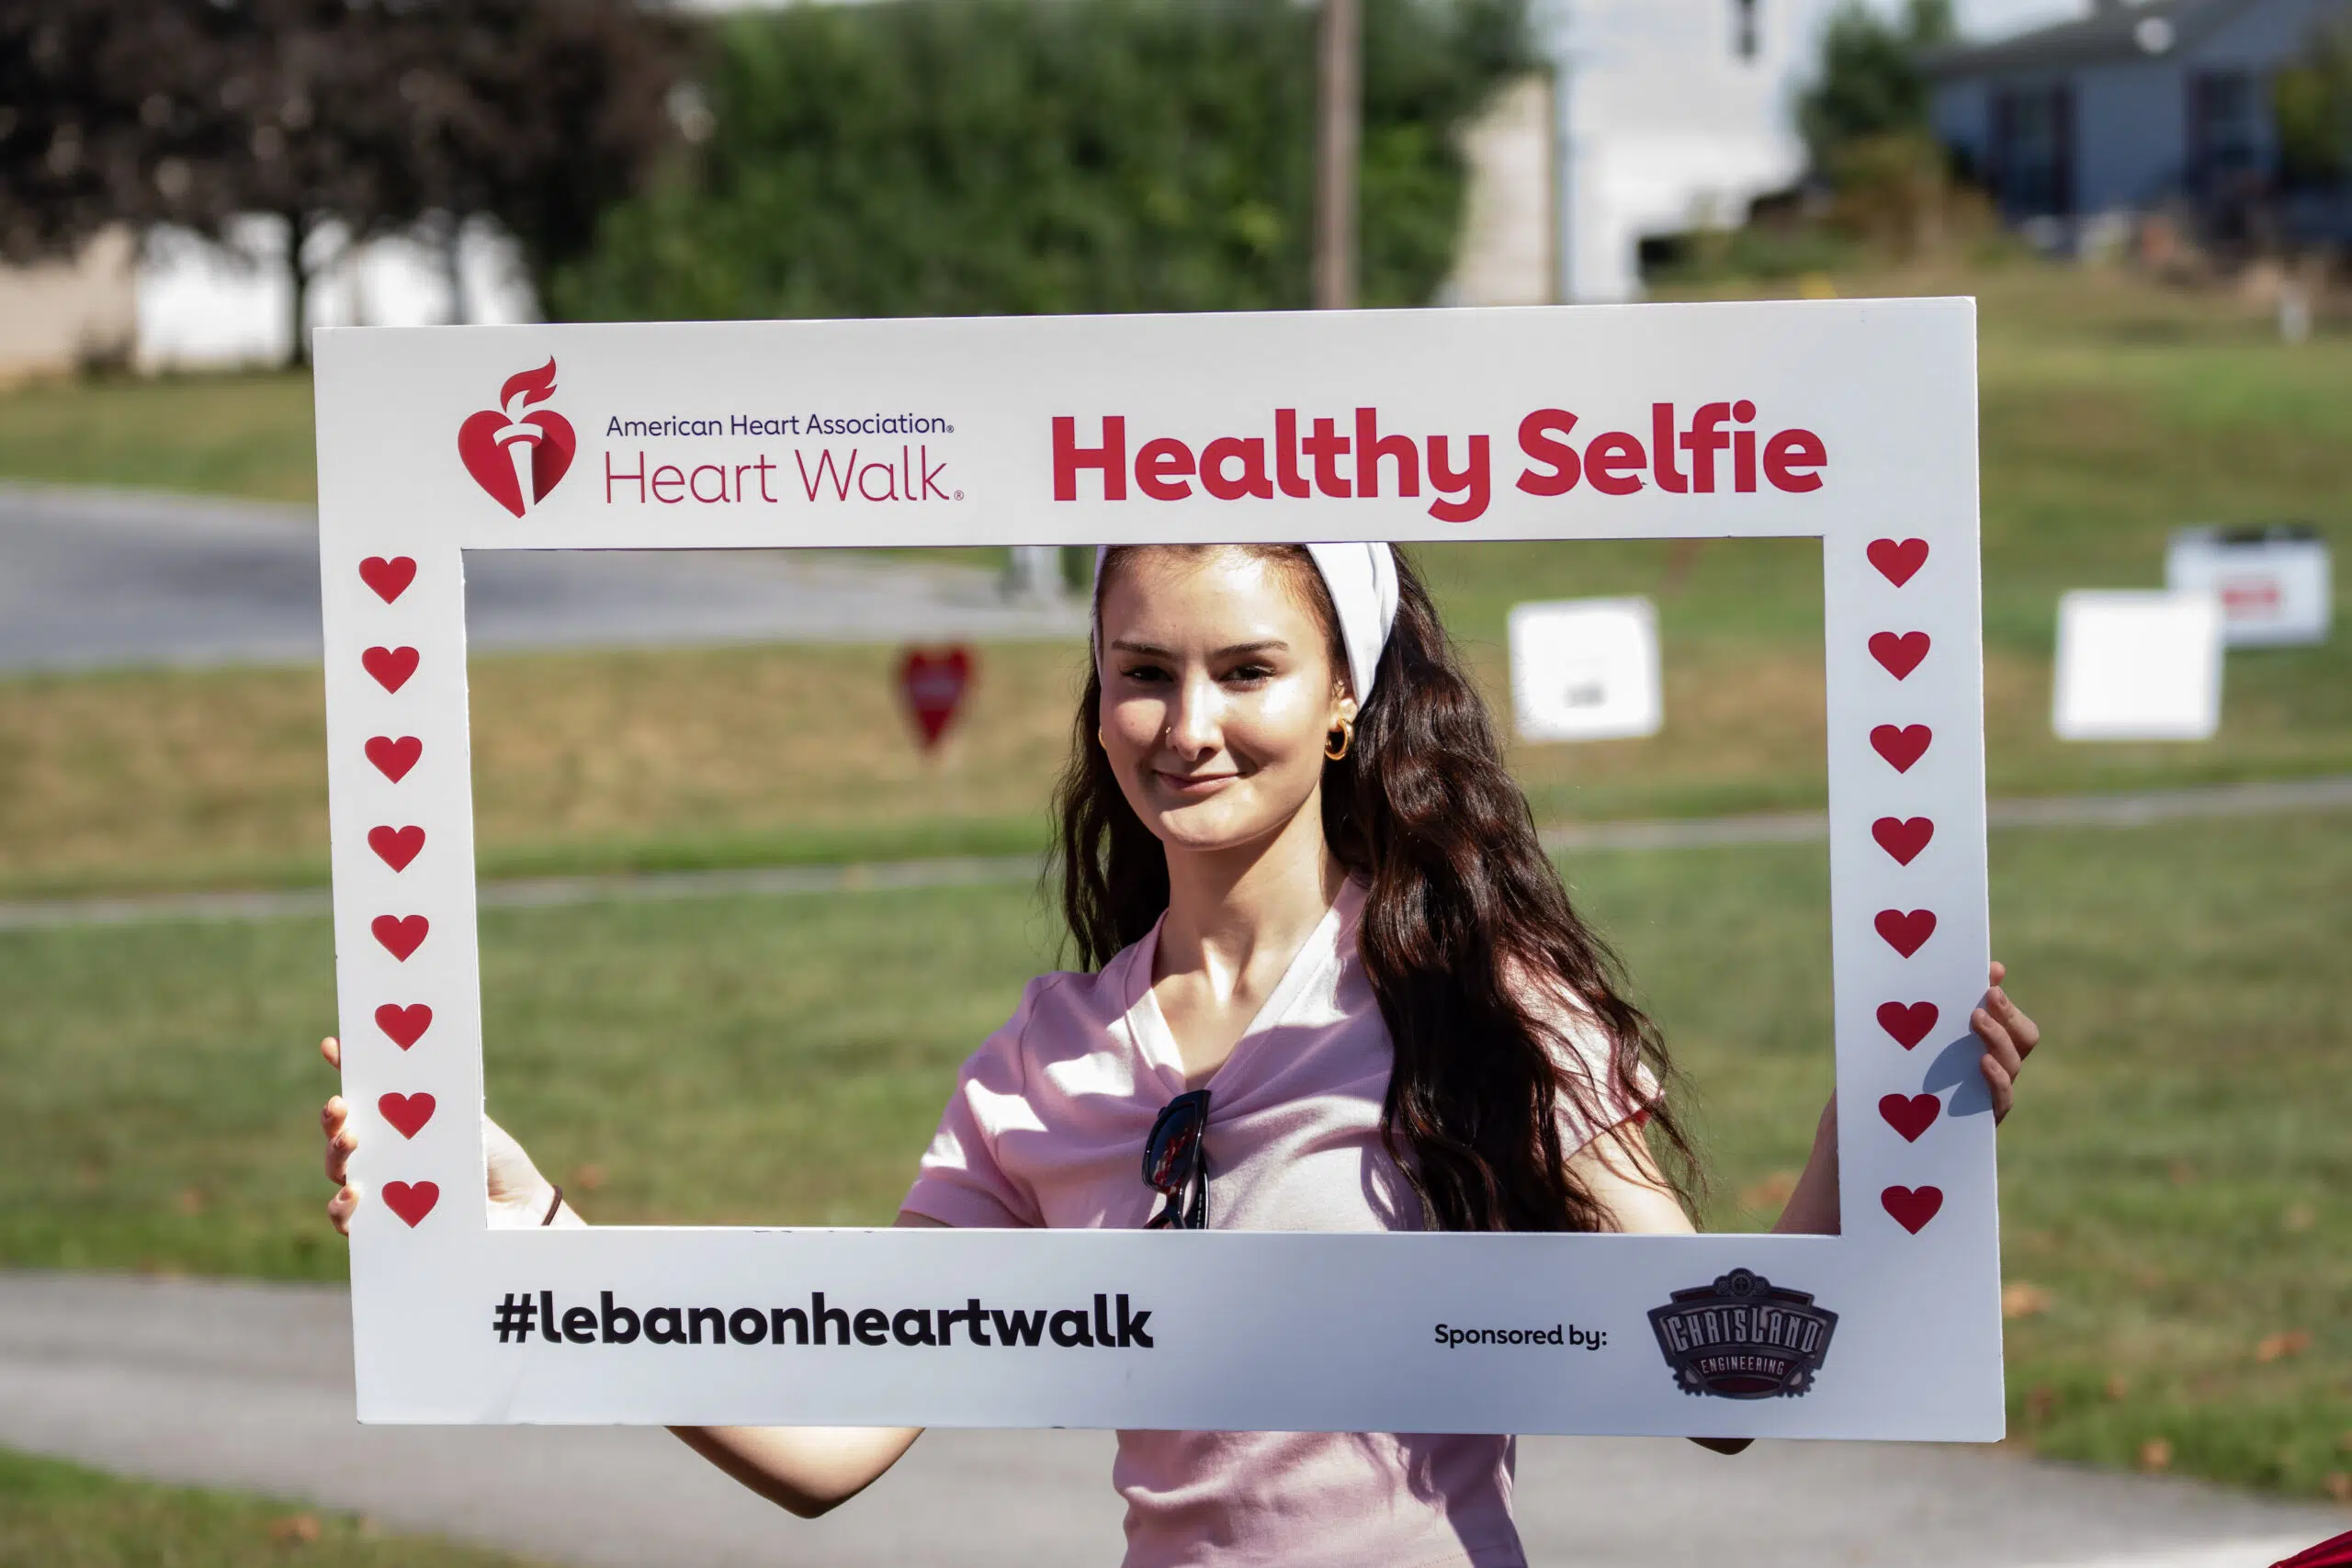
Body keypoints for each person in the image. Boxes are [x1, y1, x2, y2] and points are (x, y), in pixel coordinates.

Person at [319, 541, 2042, 1568]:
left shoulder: (1471, 994)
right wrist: (531, 1240)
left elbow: (1718, 1375)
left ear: (1348, 695)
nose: (1189, 722)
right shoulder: (1041, 1065)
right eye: (1141, 672)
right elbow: (833, 1440)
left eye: (1247, 668)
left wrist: (1870, 1133)